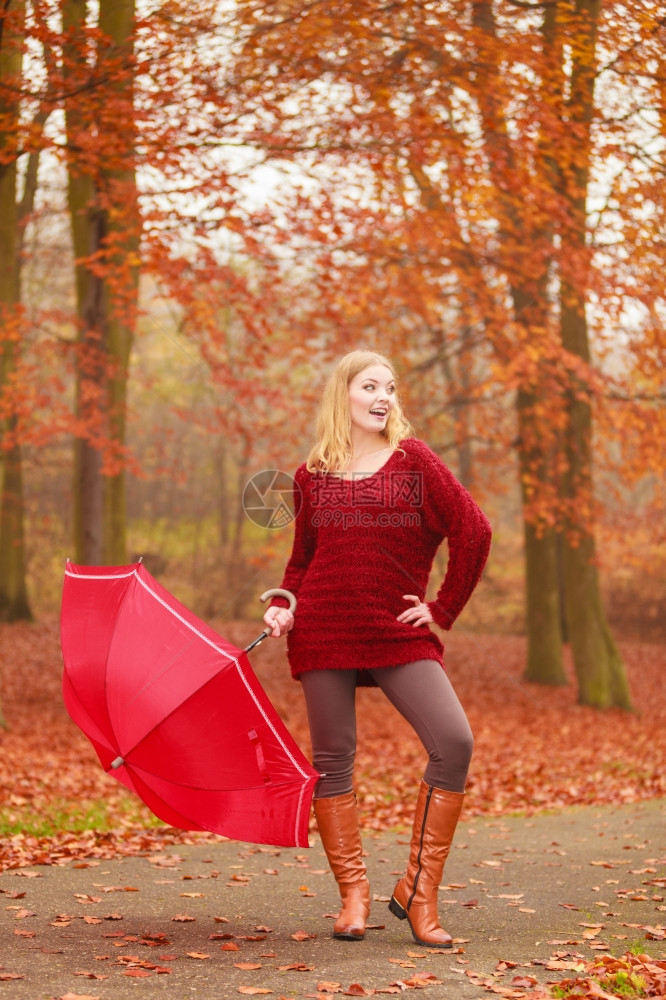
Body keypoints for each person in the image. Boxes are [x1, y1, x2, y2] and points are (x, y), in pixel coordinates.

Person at [262, 349, 492, 948]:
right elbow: (304, 559)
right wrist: (285, 603)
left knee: (455, 742)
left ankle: (418, 892)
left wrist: (441, 609)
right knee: (333, 759)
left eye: (390, 387)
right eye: (370, 386)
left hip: (395, 629)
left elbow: (474, 528)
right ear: (345, 394)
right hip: (324, 628)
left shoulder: (414, 461)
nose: (383, 396)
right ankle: (354, 896)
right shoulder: (313, 473)